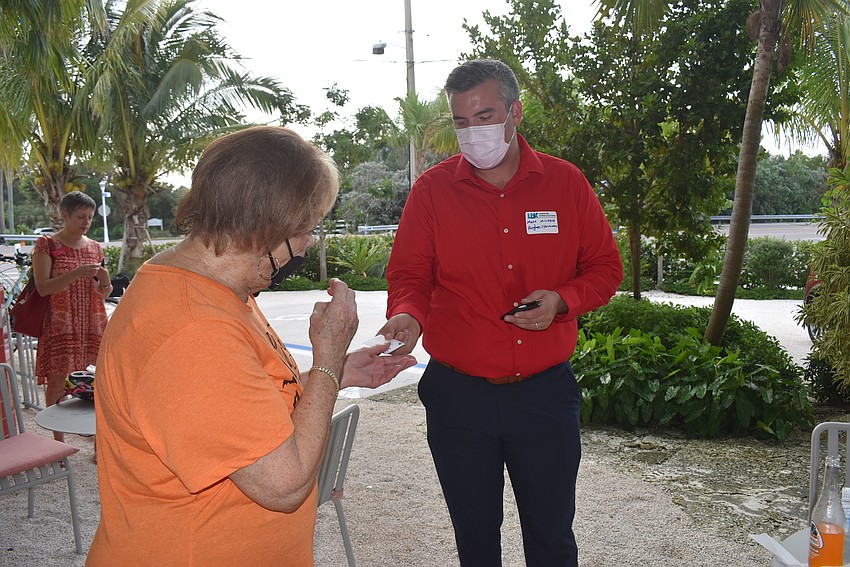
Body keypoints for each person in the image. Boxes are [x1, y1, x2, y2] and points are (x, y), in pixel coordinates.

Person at [86, 126, 417, 566]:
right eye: (306, 229)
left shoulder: (213, 289)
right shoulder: (193, 327)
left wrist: (336, 373)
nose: (308, 243)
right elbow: (284, 485)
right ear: (268, 226)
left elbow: (235, 401)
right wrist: (328, 361)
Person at [377, 59, 624, 566]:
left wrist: (562, 301)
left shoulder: (565, 183)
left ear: (515, 113)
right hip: (458, 399)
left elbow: (605, 269)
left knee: (552, 539)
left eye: (485, 117)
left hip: (545, 396)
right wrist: (408, 315)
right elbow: (409, 276)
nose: (473, 133)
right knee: (475, 541)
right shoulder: (432, 191)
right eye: (461, 122)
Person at [32, 190, 111, 442]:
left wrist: (105, 281)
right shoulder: (47, 245)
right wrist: (76, 273)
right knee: (57, 383)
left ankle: (98, 442)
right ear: (64, 215)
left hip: (92, 324)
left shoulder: (95, 247)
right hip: (60, 323)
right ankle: (58, 442)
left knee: (98, 381)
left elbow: (103, 293)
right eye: (80, 217)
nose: (86, 222)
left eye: (89, 217)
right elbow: (43, 287)